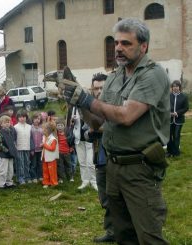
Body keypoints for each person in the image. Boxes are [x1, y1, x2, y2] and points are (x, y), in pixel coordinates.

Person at [60, 18, 170, 244]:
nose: (118, 48)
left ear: (143, 46)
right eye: (116, 43)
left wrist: (88, 99)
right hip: (113, 165)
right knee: (122, 235)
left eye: (126, 43)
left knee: (149, 237)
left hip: (140, 168)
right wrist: (79, 102)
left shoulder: (152, 74)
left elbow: (126, 116)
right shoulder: (115, 77)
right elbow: (97, 123)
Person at [88, 73, 115, 243]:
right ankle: (112, 231)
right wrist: (89, 132)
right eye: (96, 88)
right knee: (105, 199)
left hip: (116, 161)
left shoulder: (115, 105)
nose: (98, 91)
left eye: (101, 88)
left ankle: (125, 231)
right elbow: (86, 131)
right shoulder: (91, 109)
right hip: (100, 159)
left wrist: (98, 129)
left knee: (119, 199)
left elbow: (115, 127)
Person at [167, 80, 189, 157]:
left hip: (179, 120)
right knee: (169, 136)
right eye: (173, 86)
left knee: (176, 135)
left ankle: (176, 152)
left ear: (179, 87)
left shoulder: (184, 96)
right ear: (172, 87)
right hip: (169, 120)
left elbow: (186, 108)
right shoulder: (168, 96)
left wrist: (177, 113)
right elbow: (165, 106)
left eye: (177, 86)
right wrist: (168, 112)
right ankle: (169, 152)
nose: (175, 88)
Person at [0, 115, 18, 189]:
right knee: (3, 170)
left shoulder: (11, 131)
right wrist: (6, 150)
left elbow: (13, 141)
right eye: (5, 122)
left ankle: (9, 182)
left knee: (10, 169)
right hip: (3, 154)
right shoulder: (1, 132)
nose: (7, 124)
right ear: (1, 124)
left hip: (10, 154)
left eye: (8, 122)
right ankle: (1, 184)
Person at [14, 109, 33, 184]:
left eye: (24, 117)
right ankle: (20, 178)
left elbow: (31, 138)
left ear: (26, 117)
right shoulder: (15, 127)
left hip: (27, 147)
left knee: (27, 163)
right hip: (19, 148)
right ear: (18, 118)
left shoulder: (29, 127)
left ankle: (27, 176)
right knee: (20, 164)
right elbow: (14, 139)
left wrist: (32, 148)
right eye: (20, 117)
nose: (22, 118)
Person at [55, 118, 73, 183]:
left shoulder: (67, 134)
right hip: (59, 152)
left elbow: (71, 141)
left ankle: (70, 177)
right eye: (58, 125)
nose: (60, 127)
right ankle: (61, 178)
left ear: (64, 126)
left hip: (67, 152)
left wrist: (71, 147)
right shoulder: (56, 135)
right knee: (60, 166)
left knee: (68, 165)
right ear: (56, 126)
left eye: (61, 125)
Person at [41, 121, 58, 188]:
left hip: (51, 158)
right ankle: (46, 182)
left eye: (44, 129)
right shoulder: (44, 137)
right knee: (45, 170)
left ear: (48, 130)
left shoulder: (53, 139)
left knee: (52, 171)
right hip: (45, 157)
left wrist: (44, 145)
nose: (43, 130)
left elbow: (52, 148)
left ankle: (53, 183)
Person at [30, 112, 44, 182]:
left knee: (40, 163)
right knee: (33, 164)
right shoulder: (30, 128)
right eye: (35, 118)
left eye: (38, 118)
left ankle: (40, 176)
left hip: (40, 149)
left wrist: (42, 143)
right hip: (33, 150)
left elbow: (43, 138)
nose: (37, 120)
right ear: (32, 119)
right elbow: (30, 139)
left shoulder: (41, 128)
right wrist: (31, 149)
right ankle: (34, 177)